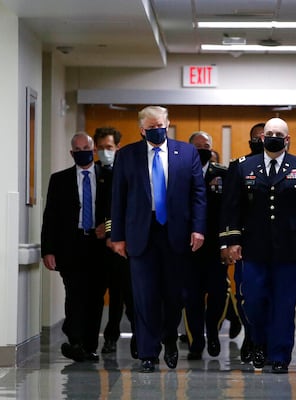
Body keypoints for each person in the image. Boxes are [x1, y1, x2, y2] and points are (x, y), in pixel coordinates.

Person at [219, 117, 296, 373]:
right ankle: (259, 343)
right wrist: (231, 241)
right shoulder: (242, 166)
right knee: (252, 301)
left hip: (289, 250)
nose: (273, 136)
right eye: (269, 133)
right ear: (262, 138)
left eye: (279, 133)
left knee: (284, 305)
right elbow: (231, 208)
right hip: (253, 249)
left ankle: (279, 356)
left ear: (287, 139)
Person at [108, 105, 207, 373]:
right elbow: (117, 198)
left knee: (174, 295)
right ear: (142, 129)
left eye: (160, 125)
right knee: (145, 295)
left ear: (168, 123)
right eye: (151, 128)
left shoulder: (186, 153)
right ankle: (148, 353)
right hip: (141, 233)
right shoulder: (127, 155)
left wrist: (198, 229)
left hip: (176, 233)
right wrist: (116, 236)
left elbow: (198, 193)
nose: (157, 130)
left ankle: (170, 339)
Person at [41, 132, 108, 362]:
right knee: (75, 294)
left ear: (94, 150)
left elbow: (119, 210)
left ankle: (89, 345)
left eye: (86, 148)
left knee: (95, 297)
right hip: (71, 246)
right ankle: (76, 341)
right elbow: (50, 216)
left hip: (100, 246)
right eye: (77, 150)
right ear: (72, 153)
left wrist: (107, 227)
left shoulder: (108, 176)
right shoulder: (59, 180)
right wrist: (47, 250)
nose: (82, 153)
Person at [182, 131, 230, 360]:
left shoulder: (223, 174)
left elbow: (232, 210)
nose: (203, 149)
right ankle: (196, 342)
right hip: (189, 248)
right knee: (191, 296)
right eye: (198, 145)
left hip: (215, 247)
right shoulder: (180, 173)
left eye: (207, 145)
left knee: (219, 294)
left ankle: (212, 331)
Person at [92, 127, 137, 358]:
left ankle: (134, 338)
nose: (104, 152)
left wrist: (109, 229)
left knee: (125, 295)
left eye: (108, 147)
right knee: (106, 294)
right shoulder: (94, 171)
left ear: (117, 147)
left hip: (120, 243)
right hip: (97, 246)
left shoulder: (125, 171)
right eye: (99, 148)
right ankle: (108, 337)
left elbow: (121, 207)